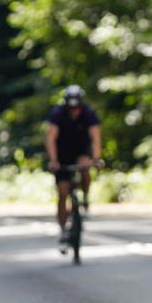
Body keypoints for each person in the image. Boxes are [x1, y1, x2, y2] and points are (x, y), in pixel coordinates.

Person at [45, 85, 103, 245]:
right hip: (62, 155)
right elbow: (51, 138)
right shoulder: (58, 114)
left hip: (80, 152)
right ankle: (63, 230)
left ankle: (85, 197)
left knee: (85, 166)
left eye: (76, 107)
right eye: (71, 108)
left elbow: (96, 135)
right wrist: (53, 160)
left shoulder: (88, 113)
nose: (74, 111)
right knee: (63, 192)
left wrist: (97, 158)